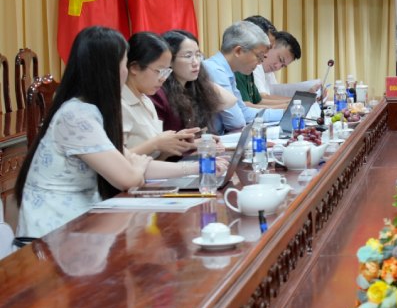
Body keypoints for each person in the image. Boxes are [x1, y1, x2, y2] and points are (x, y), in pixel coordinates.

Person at [14, 27, 228, 239]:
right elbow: (128, 177)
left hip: (81, 227)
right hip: (51, 237)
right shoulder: (76, 116)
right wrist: (137, 165)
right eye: (124, 63)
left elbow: (131, 163)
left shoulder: (90, 109)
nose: (126, 71)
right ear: (108, 68)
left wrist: (199, 167)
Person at [121, 32, 199, 158]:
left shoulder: (146, 100)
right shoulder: (119, 105)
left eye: (167, 71)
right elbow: (116, 162)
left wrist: (175, 145)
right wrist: (156, 144)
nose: (163, 78)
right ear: (134, 67)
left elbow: (155, 160)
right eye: (159, 71)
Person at [203, 21, 283, 133]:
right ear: (238, 51)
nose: (260, 63)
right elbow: (236, 121)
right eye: (259, 56)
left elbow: (244, 112)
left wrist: (285, 113)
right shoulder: (215, 70)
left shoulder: (228, 71)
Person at [151, 30, 237, 133]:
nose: (196, 62)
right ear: (170, 60)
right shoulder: (159, 93)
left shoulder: (192, 88)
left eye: (198, 55)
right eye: (188, 56)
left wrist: (202, 81)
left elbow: (230, 100)